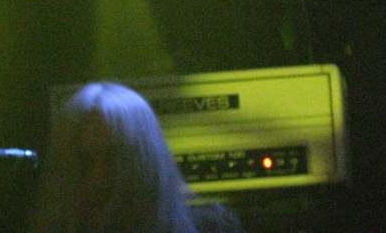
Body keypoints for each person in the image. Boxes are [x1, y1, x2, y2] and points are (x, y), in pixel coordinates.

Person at [30, 81, 244, 233]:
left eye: (114, 160)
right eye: (84, 163)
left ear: (146, 163)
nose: (99, 180)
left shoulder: (212, 226)